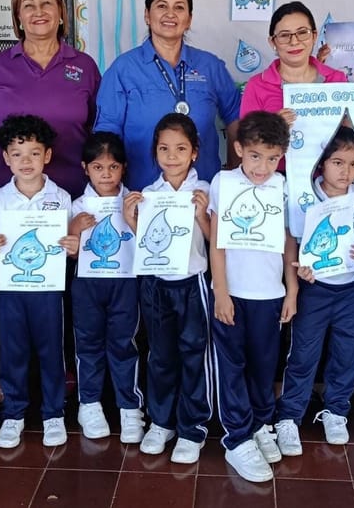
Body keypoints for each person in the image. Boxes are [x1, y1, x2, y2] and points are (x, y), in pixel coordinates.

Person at [207, 111, 295, 482]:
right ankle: (238, 438)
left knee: (263, 365)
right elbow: (216, 241)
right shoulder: (223, 182)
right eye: (255, 155)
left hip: (270, 294)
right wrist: (221, 291)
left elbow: (290, 240)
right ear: (239, 148)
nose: (263, 166)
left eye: (272, 157)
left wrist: (291, 291)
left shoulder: (283, 186)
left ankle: (261, 422)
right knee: (232, 367)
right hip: (234, 293)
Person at [274, 126, 354, 455]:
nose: (346, 172)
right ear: (321, 165)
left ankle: (336, 411)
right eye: (338, 162)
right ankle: (289, 415)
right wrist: (298, 269)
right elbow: (293, 242)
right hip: (315, 289)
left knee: (347, 354)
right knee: (303, 354)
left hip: (352, 290)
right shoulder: (305, 196)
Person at [123, 113, 213, 464]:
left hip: (193, 284)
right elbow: (147, 245)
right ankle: (161, 422)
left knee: (194, 354)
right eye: (163, 149)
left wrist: (203, 216)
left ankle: (192, 428)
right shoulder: (148, 194)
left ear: (194, 152)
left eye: (180, 148)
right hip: (158, 285)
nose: (171, 156)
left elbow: (214, 241)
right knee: (160, 356)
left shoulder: (204, 191)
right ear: (154, 152)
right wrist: (132, 221)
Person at [95, 0, 242, 190]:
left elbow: (236, 118)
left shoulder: (210, 66)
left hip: (203, 194)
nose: (170, 14)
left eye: (179, 7)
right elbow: (106, 133)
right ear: (147, 15)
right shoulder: (123, 69)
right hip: (140, 195)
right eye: (161, 6)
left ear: (189, 19)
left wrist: (234, 173)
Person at [0, 115, 75, 449]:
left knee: (52, 349)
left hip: (48, 289)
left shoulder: (61, 198)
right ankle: (14, 413)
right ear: (5, 158)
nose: (26, 161)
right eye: (17, 154)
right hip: (10, 290)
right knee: (13, 350)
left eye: (34, 153)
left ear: (47, 156)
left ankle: (53, 413)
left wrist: (70, 245)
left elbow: (66, 244)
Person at [0, 0, 100, 198]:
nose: (39, 11)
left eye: (47, 3)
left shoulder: (84, 66)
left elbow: (98, 131)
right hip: (12, 201)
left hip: (75, 196)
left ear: (60, 12)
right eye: (28, 5)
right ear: (18, 16)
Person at [66, 132, 145, 443]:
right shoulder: (76, 205)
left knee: (124, 343)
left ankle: (129, 406)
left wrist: (132, 217)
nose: (106, 175)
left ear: (123, 168)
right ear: (86, 168)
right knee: (88, 344)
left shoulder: (135, 202)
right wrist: (74, 228)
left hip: (125, 283)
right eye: (98, 168)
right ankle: (90, 403)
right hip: (87, 285)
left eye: (113, 167)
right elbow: (69, 252)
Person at [240, 1, 346, 126]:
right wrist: (273, 126)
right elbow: (247, 142)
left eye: (302, 33)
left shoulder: (337, 79)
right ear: (272, 42)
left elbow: (350, 135)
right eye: (284, 35)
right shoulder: (256, 86)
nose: (294, 42)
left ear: (314, 36)